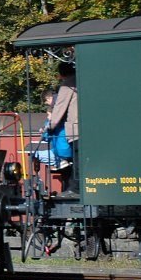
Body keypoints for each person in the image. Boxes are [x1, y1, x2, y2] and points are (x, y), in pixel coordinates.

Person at [47, 62, 79, 197]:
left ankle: (75, 189)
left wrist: (50, 126)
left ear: (61, 74)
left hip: (77, 129)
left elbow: (60, 107)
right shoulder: (82, 80)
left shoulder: (68, 85)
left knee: (77, 161)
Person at [33, 88, 72, 170]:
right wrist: (45, 131)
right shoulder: (58, 105)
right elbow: (47, 136)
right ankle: (60, 162)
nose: (48, 105)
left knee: (61, 140)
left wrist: (47, 128)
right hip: (58, 150)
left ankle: (63, 161)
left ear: (48, 98)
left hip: (61, 151)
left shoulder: (57, 106)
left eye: (46, 103)